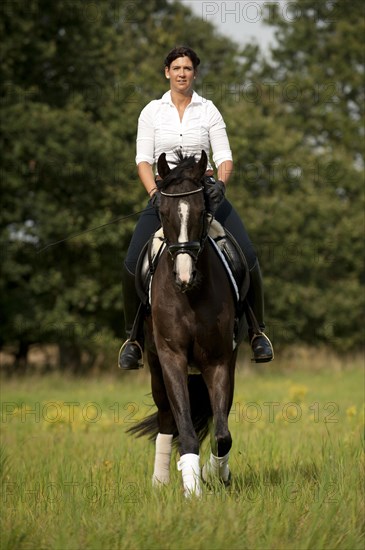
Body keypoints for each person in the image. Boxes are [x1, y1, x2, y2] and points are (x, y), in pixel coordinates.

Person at [119, 46, 274, 370]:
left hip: (204, 193)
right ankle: (132, 338)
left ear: (194, 73)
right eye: (176, 67)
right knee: (133, 261)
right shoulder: (151, 112)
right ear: (167, 72)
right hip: (165, 195)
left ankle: (257, 333)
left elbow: (225, 157)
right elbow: (143, 160)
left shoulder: (208, 110)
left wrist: (221, 184)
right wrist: (153, 193)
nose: (181, 73)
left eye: (187, 68)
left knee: (247, 253)